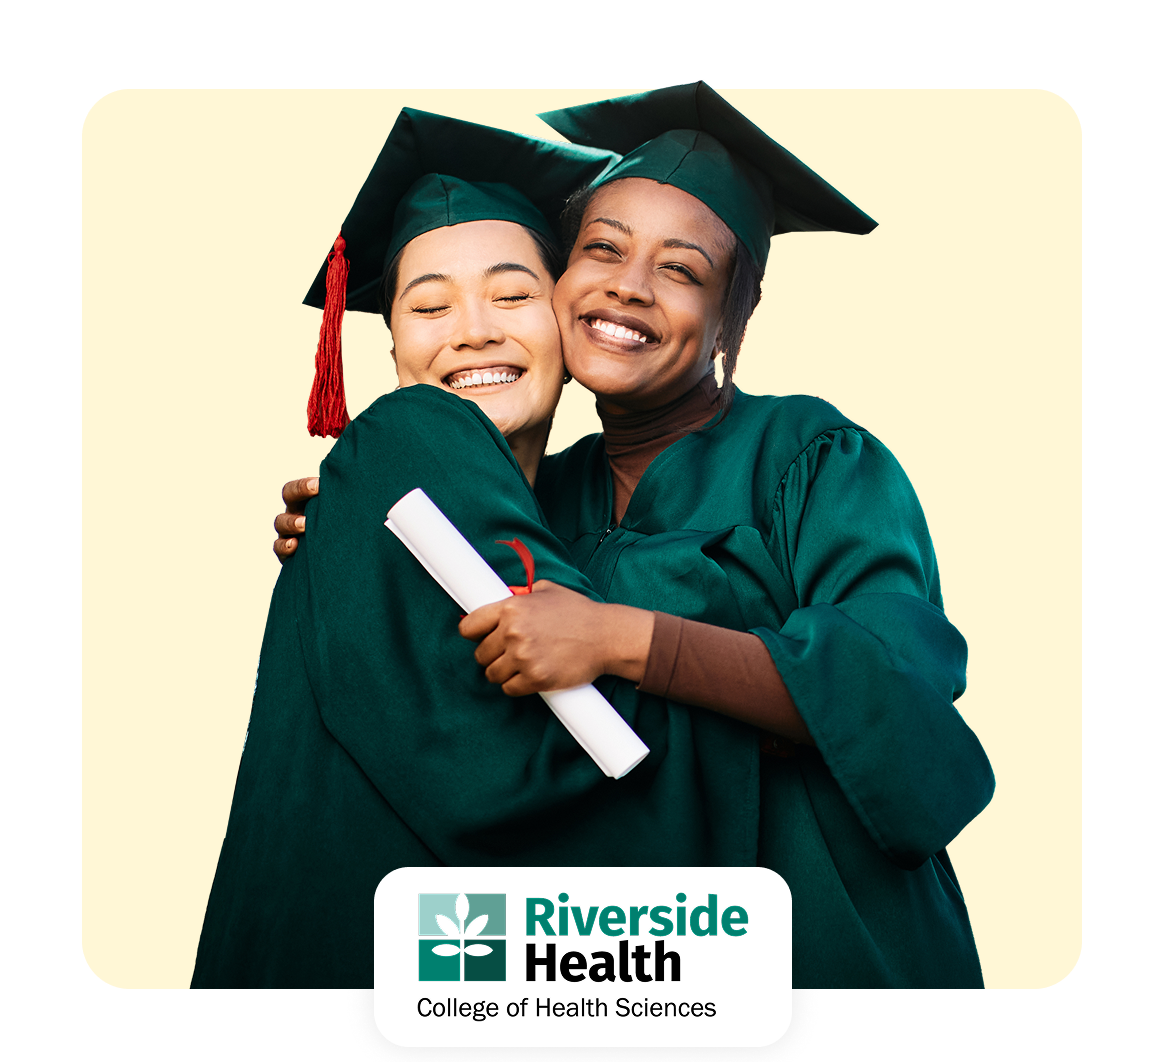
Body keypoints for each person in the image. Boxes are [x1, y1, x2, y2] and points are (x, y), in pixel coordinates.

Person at [270, 86, 996, 989]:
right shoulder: (535, 496)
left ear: (736, 313)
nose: (629, 284)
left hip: (828, 941)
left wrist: (622, 640)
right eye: (602, 250)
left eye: (683, 270)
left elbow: (892, 698)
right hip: (636, 970)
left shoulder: (813, 457)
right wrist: (350, 539)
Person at [192, 109, 767, 989]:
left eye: (511, 295)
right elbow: (574, 768)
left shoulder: (552, 507)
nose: (472, 331)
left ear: (570, 326)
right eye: (428, 305)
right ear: (391, 347)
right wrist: (716, 600)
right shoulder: (415, 434)